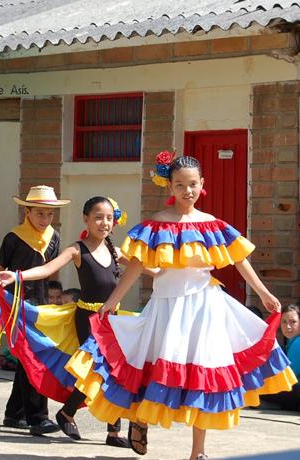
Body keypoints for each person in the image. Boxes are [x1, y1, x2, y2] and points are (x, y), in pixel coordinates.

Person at [48, 154, 295, 460]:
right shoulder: (157, 224)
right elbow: (136, 265)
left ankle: (198, 452)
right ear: (171, 186)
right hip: (166, 306)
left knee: (202, 376)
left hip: (205, 306)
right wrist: (111, 302)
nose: (187, 190)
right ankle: (139, 419)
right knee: (151, 367)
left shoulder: (212, 225)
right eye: (180, 185)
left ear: (201, 184)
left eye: (193, 184)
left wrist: (263, 292)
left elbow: (239, 259)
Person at [0, 196, 146, 447]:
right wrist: (16, 276)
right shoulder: (77, 250)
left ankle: (112, 431)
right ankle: (68, 412)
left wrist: (181, 268)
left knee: (116, 372)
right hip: (87, 319)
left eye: (109, 218)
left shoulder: (116, 252)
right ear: (86, 219)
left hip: (113, 319)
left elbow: (146, 267)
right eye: (98, 217)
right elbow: (47, 269)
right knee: (98, 369)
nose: (104, 222)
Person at [0, 185, 70, 435]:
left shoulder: (54, 238)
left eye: (49, 214)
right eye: (39, 213)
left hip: (41, 306)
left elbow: (49, 271)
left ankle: (14, 414)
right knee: (34, 360)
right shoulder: (13, 238)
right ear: (27, 211)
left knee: (29, 360)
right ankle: (38, 418)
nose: (45, 219)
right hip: (16, 306)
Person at [260, 304, 300, 411]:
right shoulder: (292, 342)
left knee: (258, 390)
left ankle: (279, 406)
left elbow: (291, 376)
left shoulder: (297, 343)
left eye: (293, 322)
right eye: (284, 322)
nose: (288, 326)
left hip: (297, 391)